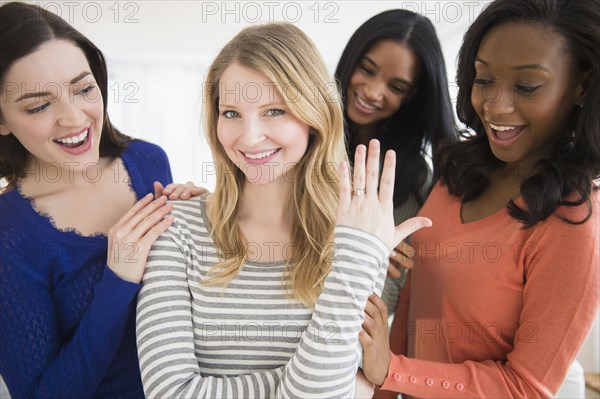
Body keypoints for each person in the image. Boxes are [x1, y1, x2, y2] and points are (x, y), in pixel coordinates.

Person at [135, 22, 430, 398]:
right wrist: (335, 380)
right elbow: (170, 394)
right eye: (231, 113)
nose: (250, 136)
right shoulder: (177, 228)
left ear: (314, 115)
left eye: (274, 110)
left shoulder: (356, 239)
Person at [360, 0, 600, 397]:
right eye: (484, 79)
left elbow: (525, 387)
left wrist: (393, 371)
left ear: (582, 86)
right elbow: (412, 309)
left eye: (526, 87)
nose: (495, 106)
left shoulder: (573, 224)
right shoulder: (458, 173)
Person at [0, 3, 202, 398]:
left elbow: (189, 303)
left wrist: (208, 218)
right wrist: (119, 279)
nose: (75, 119)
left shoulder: (148, 159)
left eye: (84, 89)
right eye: (40, 105)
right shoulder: (10, 234)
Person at [334, 9, 457, 311]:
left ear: (413, 96)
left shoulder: (413, 178)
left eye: (396, 87)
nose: (373, 92)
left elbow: (381, 296)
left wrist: (367, 258)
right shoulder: (304, 136)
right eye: (366, 69)